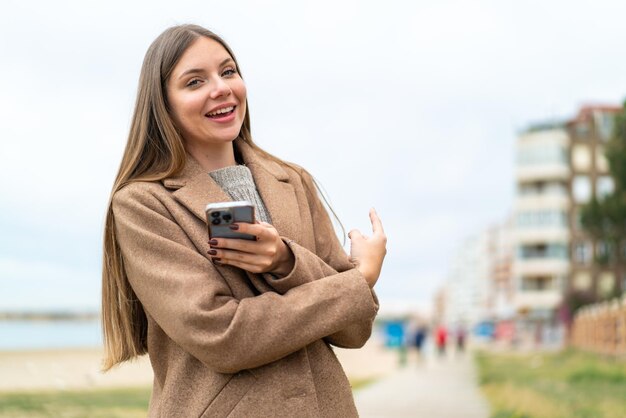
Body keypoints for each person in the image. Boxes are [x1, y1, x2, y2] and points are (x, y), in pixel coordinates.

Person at [100, 24, 387, 417]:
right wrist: (358, 282)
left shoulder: (294, 181)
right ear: (163, 105)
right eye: (195, 81)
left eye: (228, 71)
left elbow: (353, 329)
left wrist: (286, 262)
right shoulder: (142, 204)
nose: (221, 87)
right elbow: (222, 336)